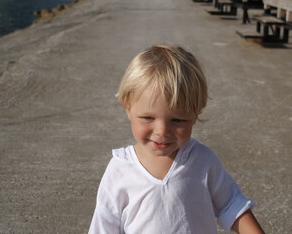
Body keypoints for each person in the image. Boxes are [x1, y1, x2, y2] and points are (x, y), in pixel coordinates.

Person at [89, 45, 265, 234]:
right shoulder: (119, 170)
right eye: (148, 118)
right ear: (128, 108)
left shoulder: (203, 160)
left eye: (177, 120)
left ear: (195, 115)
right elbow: (103, 226)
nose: (162, 130)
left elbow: (231, 204)